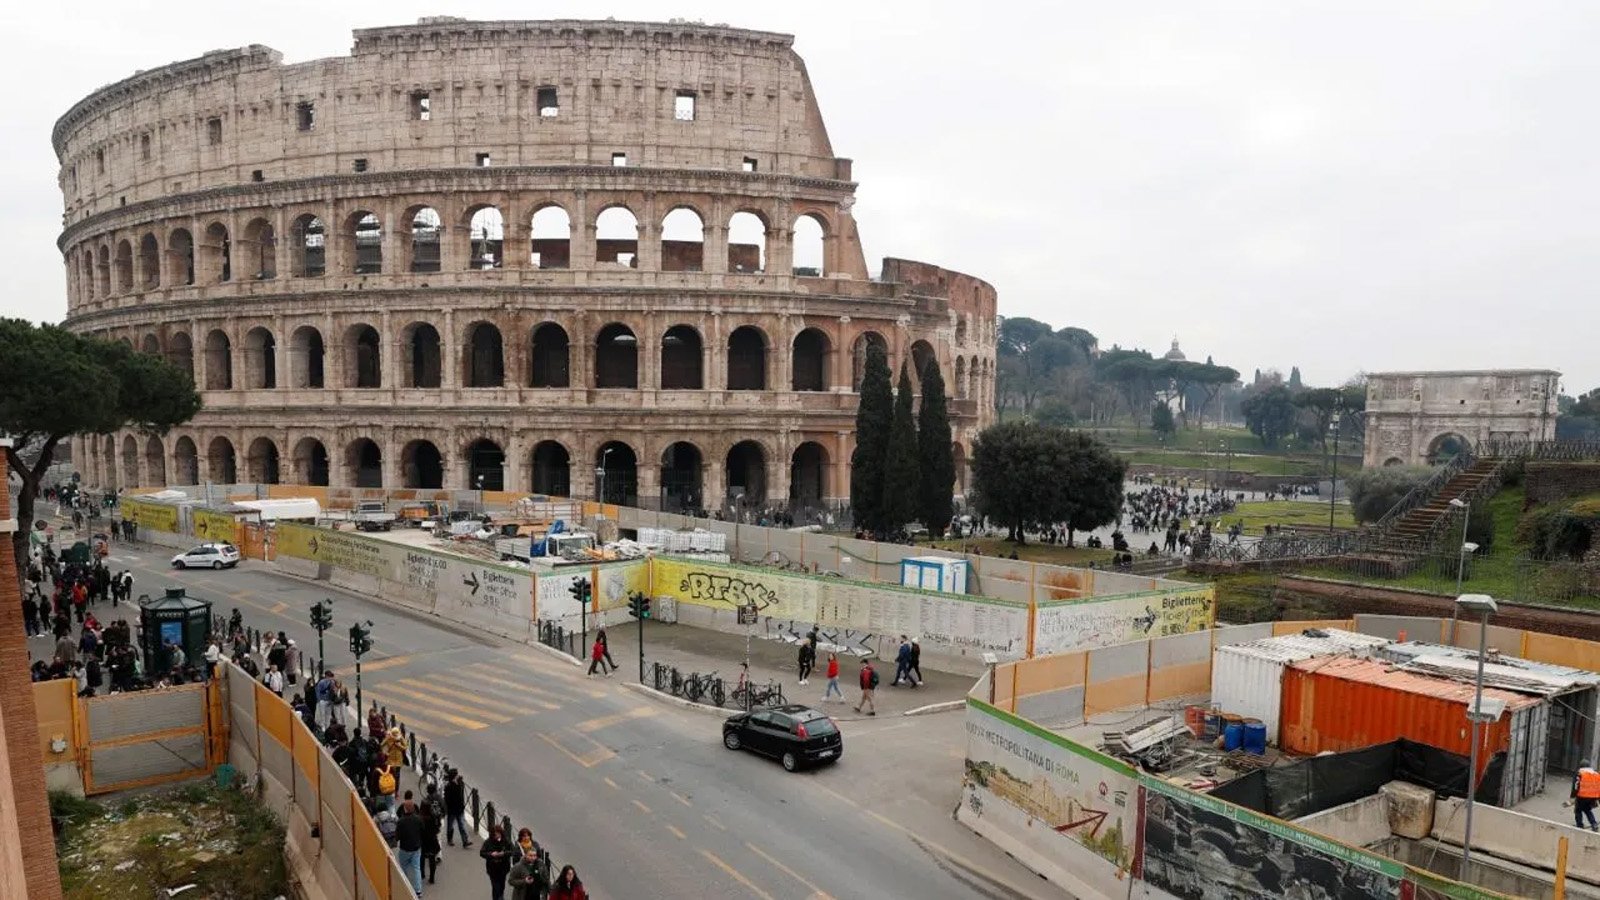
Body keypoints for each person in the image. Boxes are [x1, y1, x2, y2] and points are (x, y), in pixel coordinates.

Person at [394, 798, 426, 895]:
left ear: (405, 809)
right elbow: (423, 831)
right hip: (416, 847)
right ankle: (418, 890)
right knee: (416, 868)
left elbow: (397, 837)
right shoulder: (418, 819)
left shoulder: (401, 821)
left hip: (405, 848)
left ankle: (405, 888)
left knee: (403, 867)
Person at [480, 825, 515, 900]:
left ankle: (500, 896)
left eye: (499, 833)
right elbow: (482, 853)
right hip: (492, 868)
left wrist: (504, 853)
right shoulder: (488, 842)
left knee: (502, 884)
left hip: (503, 868)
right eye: (495, 834)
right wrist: (491, 854)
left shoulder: (506, 841)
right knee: (495, 886)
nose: (497, 836)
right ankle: (498, 898)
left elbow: (513, 851)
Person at [420, 784, 444, 884]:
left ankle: (422, 874)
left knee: (422, 855)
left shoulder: (424, 803)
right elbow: (442, 812)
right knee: (432, 857)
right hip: (433, 833)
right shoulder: (437, 801)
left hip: (424, 834)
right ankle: (432, 878)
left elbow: (420, 816)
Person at [444, 770, 471, 847]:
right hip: (452, 810)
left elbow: (460, 797)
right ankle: (450, 839)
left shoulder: (458, 784)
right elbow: (447, 799)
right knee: (450, 826)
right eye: (456, 775)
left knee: (461, 825)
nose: (458, 776)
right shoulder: (449, 786)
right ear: (453, 777)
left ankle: (465, 841)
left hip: (459, 809)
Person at [1574, 759, 1600, 831]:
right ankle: (1594, 824)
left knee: (1578, 810)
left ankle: (1579, 825)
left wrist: (1573, 796)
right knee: (1587, 810)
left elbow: (1576, 786)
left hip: (1582, 796)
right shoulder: (1596, 774)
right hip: (1593, 797)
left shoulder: (1579, 773)